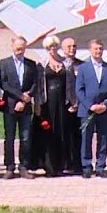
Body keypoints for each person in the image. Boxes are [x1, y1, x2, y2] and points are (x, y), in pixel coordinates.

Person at [76, 38, 107, 178]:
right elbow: (79, 90)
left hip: (104, 110)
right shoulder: (82, 68)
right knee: (86, 138)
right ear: (90, 50)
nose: (98, 51)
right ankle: (86, 166)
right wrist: (91, 105)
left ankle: (100, 166)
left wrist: (105, 104)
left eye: (100, 48)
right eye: (95, 48)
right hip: (87, 109)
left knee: (103, 137)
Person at [0, 35, 41, 179]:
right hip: (10, 106)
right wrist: (19, 96)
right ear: (12, 46)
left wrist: (25, 98)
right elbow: (4, 83)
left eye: (22, 48)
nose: (20, 51)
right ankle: (9, 167)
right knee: (9, 137)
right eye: (17, 48)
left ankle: (24, 166)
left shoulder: (31, 64)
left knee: (25, 137)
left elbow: (35, 83)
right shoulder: (5, 63)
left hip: (25, 106)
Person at [35, 35, 71, 177]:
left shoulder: (66, 63)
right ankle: (48, 165)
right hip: (47, 103)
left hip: (62, 102)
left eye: (54, 46)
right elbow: (38, 86)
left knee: (62, 132)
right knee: (48, 132)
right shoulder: (42, 64)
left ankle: (60, 165)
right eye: (49, 47)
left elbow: (70, 84)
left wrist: (72, 102)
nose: (52, 49)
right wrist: (37, 104)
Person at [61, 37, 84, 176]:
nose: (72, 49)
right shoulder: (59, 64)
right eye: (69, 46)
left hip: (79, 105)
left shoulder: (82, 65)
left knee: (78, 135)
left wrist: (77, 103)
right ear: (62, 49)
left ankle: (78, 163)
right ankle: (64, 163)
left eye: (74, 46)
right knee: (65, 134)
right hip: (63, 105)